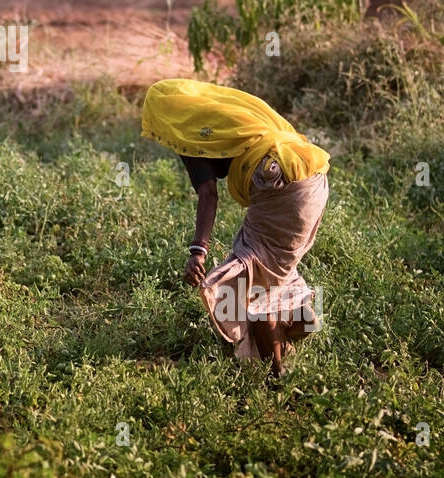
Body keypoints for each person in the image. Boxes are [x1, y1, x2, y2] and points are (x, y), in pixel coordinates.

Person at [141, 78, 330, 378]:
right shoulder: (226, 114)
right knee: (268, 272)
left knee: (252, 284)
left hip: (280, 186)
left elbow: (208, 193)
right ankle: (295, 320)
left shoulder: (191, 132)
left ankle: (275, 374)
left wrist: (198, 251)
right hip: (314, 179)